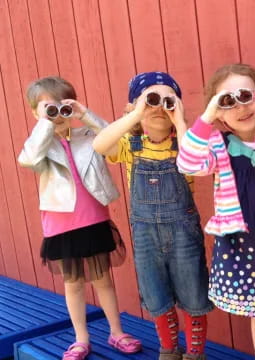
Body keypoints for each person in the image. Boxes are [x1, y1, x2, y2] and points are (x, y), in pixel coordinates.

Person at [177, 64, 255, 360]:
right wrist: (207, 117)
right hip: (246, 245)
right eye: (226, 101)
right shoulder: (218, 145)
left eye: (246, 95)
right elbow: (186, 163)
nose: (240, 107)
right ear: (219, 112)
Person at [18, 76, 141, 360]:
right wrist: (46, 123)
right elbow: (28, 158)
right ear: (35, 112)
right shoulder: (41, 144)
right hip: (61, 224)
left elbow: (116, 136)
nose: (57, 113)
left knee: (103, 280)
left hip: (94, 219)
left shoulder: (87, 135)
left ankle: (116, 332)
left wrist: (85, 114)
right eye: (48, 108)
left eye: (62, 106)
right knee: (73, 284)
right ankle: (81, 338)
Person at [92, 72, 213, 360]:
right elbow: (99, 145)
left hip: (184, 234)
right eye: (151, 101)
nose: (158, 108)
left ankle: (196, 354)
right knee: (157, 297)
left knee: (194, 296)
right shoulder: (129, 146)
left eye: (167, 101)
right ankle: (168, 351)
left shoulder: (184, 140)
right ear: (132, 108)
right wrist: (137, 114)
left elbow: (193, 162)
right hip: (146, 236)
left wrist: (180, 121)